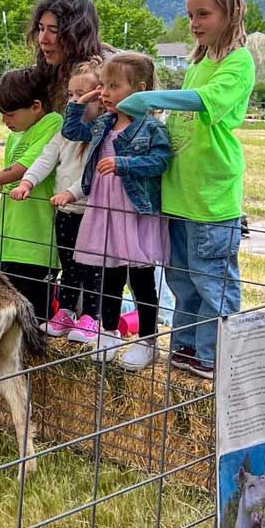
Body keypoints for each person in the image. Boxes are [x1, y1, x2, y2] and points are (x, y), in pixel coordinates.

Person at [119, 0, 256, 380]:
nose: (194, 23)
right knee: (182, 281)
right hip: (179, 194)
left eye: (203, 14)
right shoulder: (199, 61)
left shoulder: (238, 62)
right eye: (190, 15)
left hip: (210, 198)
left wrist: (151, 97)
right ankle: (186, 348)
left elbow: (205, 103)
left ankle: (218, 358)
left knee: (213, 283)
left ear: (231, 13)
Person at [64, 53, 171, 370]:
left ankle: (147, 341)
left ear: (139, 89)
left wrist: (125, 164)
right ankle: (109, 334)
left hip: (133, 212)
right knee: (108, 278)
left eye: (113, 86)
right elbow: (71, 130)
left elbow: (160, 162)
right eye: (103, 86)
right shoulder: (102, 125)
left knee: (141, 281)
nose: (106, 92)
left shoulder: (151, 129)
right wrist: (82, 100)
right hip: (104, 211)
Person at [10, 58, 105, 341]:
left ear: (100, 97)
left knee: (92, 268)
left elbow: (93, 176)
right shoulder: (65, 132)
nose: (72, 101)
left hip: (90, 211)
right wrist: (28, 181)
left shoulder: (103, 134)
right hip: (66, 211)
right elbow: (45, 159)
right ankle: (64, 311)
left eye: (80, 95)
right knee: (69, 264)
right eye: (71, 95)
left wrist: (70, 193)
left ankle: (91, 315)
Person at [0, 67, 61, 320]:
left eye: (10, 114)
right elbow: (10, 180)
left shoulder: (52, 124)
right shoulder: (17, 135)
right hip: (5, 241)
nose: (5, 121)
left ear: (36, 106)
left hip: (35, 244)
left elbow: (23, 169)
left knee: (31, 320)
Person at [27, 0, 109, 113]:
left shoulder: (107, 73)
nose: (43, 39)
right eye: (41, 29)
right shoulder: (49, 69)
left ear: (77, 34)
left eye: (53, 31)